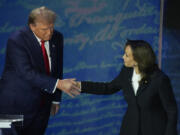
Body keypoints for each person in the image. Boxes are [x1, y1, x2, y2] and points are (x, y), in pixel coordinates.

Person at [0, 6, 80, 135]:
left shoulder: (57, 37)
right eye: (44, 29)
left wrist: (55, 99)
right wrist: (59, 84)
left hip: (41, 107)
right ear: (32, 26)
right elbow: (26, 72)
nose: (49, 32)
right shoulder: (16, 40)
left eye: (51, 27)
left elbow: (57, 68)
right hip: (12, 107)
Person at [78, 40, 178, 135]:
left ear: (138, 60)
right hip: (130, 129)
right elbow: (107, 88)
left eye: (127, 55)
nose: (123, 57)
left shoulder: (160, 79)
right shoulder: (126, 73)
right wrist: (80, 86)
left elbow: (172, 111)